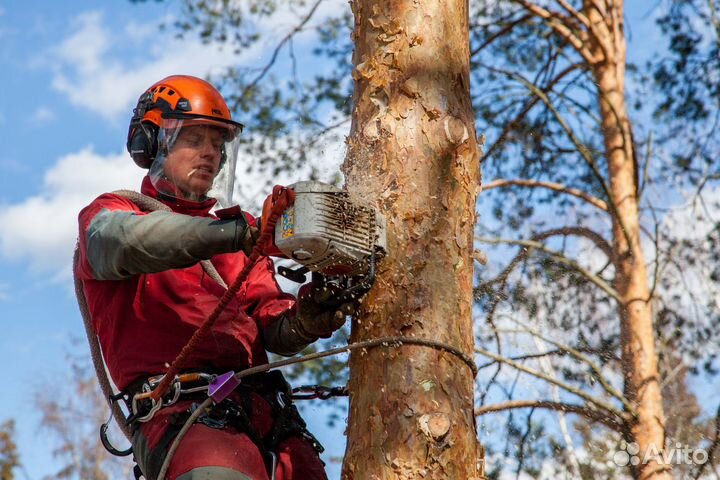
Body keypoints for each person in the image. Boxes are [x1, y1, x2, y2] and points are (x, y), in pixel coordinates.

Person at [75, 75, 352, 480]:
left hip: (267, 418)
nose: (210, 154)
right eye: (194, 140)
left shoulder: (240, 238)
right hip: (185, 417)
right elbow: (125, 243)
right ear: (149, 143)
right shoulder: (114, 214)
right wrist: (237, 234)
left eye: (217, 144)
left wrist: (307, 317)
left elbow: (270, 326)